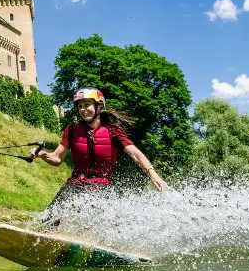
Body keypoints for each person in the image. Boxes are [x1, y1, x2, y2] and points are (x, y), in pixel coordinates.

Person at [30, 87, 168, 226]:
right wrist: (42, 155)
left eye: (87, 105)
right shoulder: (71, 130)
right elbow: (57, 158)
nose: (83, 110)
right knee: (48, 219)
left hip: (102, 189)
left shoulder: (113, 130)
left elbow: (135, 154)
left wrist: (154, 175)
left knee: (103, 229)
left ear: (99, 106)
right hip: (75, 185)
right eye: (80, 106)